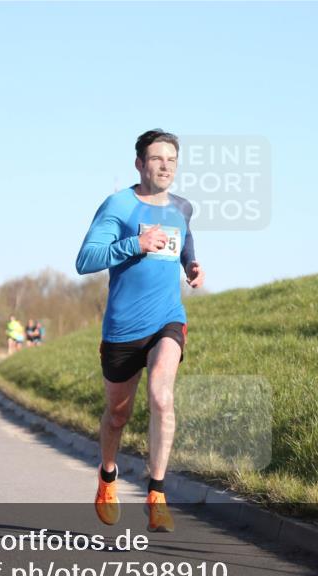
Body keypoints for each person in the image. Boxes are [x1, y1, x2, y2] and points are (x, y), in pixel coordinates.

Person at [75, 129, 205, 532]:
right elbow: (85, 259)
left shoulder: (182, 207)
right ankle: (108, 476)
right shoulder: (118, 205)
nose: (165, 166)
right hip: (122, 328)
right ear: (139, 164)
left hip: (167, 317)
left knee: (161, 397)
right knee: (118, 414)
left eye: (172, 160)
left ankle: (156, 494)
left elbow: (185, 240)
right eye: (156, 159)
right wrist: (135, 243)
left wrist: (192, 266)